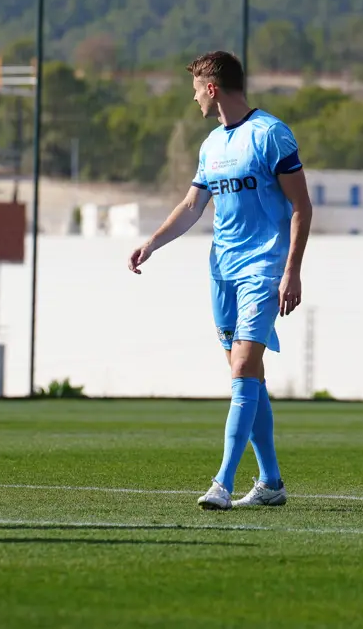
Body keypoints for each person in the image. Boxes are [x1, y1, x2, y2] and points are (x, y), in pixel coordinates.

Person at [128, 50, 312, 510]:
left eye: (195, 91)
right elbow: (193, 206)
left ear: (212, 88)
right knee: (247, 374)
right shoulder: (211, 145)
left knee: (243, 370)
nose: (194, 100)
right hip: (222, 272)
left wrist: (292, 270)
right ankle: (271, 484)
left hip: (262, 269)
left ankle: (222, 484)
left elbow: (301, 207)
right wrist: (151, 243)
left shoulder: (271, 134)